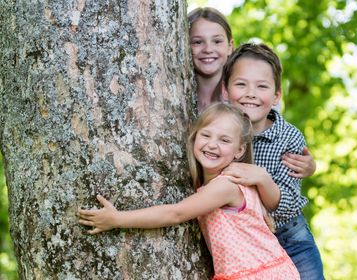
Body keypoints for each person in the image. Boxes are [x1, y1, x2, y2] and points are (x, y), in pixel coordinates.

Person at [79, 103, 300, 280]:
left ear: (239, 150)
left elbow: (176, 213)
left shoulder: (226, 185)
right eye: (206, 135)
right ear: (195, 136)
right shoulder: (215, 185)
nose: (212, 145)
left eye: (224, 140)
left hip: (260, 274)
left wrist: (117, 219)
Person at [220, 43, 325, 279]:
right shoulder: (219, 134)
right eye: (240, 84)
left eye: (262, 86)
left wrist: (261, 177)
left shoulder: (288, 137)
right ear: (225, 90)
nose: (251, 93)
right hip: (244, 242)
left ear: (276, 95)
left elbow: (288, 203)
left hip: (290, 239)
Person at [187, 6, 315, 178]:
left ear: (230, 45)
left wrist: (309, 166)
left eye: (217, 41)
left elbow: (272, 138)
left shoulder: (243, 94)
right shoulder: (174, 93)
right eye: (197, 42)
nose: (208, 48)